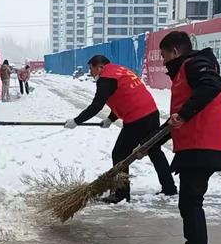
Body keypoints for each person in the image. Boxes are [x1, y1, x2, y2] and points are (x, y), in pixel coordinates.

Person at [159, 31, 221, 244]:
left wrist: (184, 114)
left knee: (191, 202)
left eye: (164, 54)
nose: (163, 61)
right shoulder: (185, 71)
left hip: (202, 145)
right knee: (188, 201)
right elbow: (177, 119)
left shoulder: (195, 64)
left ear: (175, 52)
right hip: (195, 145)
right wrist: (148, 143)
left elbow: (211, 85)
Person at [64, 55, 177, 203]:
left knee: (119, 154)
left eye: (91, 69)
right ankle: (169, 188)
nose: (90, 73)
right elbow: (124, 97)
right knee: (154, 150)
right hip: (151, 113)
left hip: (137, 118)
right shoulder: (120, 71)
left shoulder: (106, 77)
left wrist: (76, 121)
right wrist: (110, 119)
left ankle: (121, 194)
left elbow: (96, 105)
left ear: (100, 67)